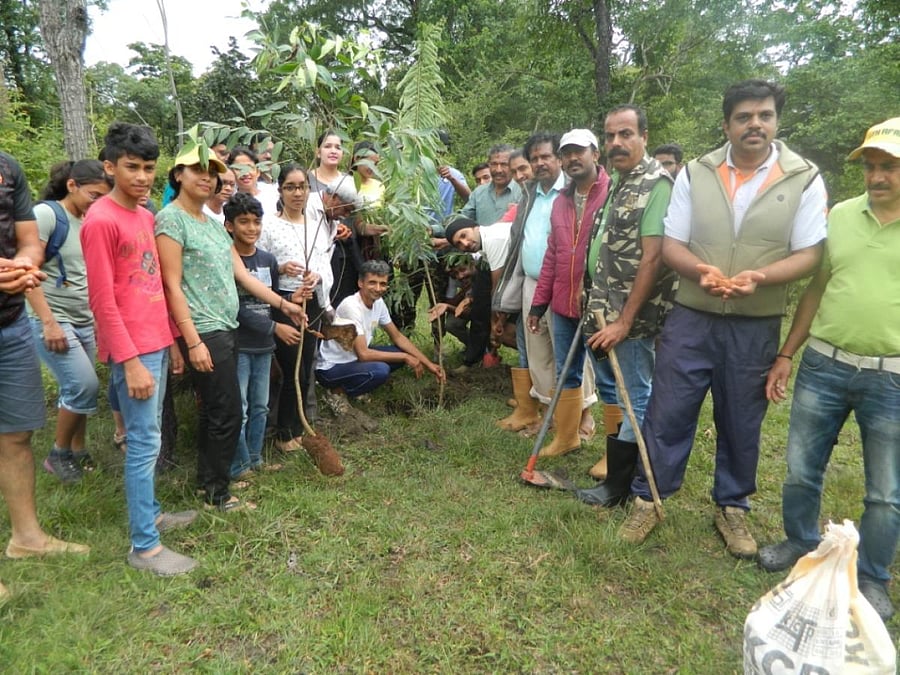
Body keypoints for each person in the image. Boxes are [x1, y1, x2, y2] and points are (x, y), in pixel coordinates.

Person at [620, 79, 828, 559]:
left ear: (776, 121)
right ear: (727, 124)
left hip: (756, 321)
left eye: (765, 115)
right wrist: (701, 271)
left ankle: (732, 506)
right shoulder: (697, 172)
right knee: (669, 409)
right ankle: (649, 498)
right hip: (692, 316)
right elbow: (672, 244)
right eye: (744, 117)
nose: (755, 124)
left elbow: (810, 253)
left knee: (741, 417)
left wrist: (760, 277)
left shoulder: (803, 177)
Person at [757, 117, 900, 621]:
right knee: (801, 468)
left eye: (889, 167)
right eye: (871, 166)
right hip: (825, 363)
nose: (877, 176)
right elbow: (816, 290)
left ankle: (873, 576)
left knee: (885, 492)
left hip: (892, 376)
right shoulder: (839, 216)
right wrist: (786, 354)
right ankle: (800, 542)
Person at [155, 143, 306, 511]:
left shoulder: (211, 224)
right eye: (197, 170)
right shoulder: (171, 220)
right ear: (179, 175)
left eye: (212, 173)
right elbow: (170, 284)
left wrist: (284, 304)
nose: (207, 178)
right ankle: (219, 492)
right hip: (203, 328)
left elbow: (243, 276)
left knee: (216, 410)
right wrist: (192, 340)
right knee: (228, 410)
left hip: (226, 325)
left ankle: (209, 482)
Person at [81, 122, 197, 575]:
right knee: (144, 442)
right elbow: (102, 300)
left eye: (149, 168)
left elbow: (154, 285)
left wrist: (171, 341)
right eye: (132, 167)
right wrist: (129, 362)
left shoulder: (147, 216)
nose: (143, 176)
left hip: (156, 341)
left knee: (151, 438)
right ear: (110, 167)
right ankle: (145, 547)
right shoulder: (101, 220)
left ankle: (152, 515)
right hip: (132, 349)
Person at [0, 150, 89, 601]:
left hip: (11, 320)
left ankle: (27, 537)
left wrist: (25, 263)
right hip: (30, 317)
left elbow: (28, 238)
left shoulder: (8, 167)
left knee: (17, 435)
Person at [576, 105, 675, 506]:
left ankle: (623, 486)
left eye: (626, 134)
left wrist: (625, 321)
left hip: (629, 316)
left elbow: (654, 257)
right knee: (620, 392)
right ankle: (620, 476)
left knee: (637, 396)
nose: (616, 143)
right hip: (604, 305)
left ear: (644, 136)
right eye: (610, 135)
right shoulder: (619, 179)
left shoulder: (656, 184)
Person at [26, 159, 112, 484]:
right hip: (52, 318)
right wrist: (49, 322)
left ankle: (78, 450)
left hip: (83, 319)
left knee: (80, 388)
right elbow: (28, 271)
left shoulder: (89, 220)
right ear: (72, 186)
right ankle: (58, 454)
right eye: (94, 195)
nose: (98, 203)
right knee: (83, 385)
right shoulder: (47, 215)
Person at [527, 129, 611, 457]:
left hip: (600, 305)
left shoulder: (612, 194)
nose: (573, 158)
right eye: (567, 153)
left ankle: (614, 453)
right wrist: (539, 305)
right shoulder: (561, 201)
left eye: (580, 151)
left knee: (607, 377)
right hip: (563, 304)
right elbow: (553, 255)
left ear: (595, 154)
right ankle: (566, 437)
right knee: (566, 371)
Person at [257, 164, 331, 459]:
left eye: (302, 186)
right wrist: (280, 269)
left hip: (310, 300)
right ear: (280, 190)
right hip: (282, 301)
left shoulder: (316, 226)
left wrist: (317, 277)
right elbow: (257, 264)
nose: (297, 193)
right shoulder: (269, 225)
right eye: (290, 187)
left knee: (305, 365)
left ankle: (296, 428)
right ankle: (283, 433)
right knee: (291, 368)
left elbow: (325, 261)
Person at [316, 260, 445, 410]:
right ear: (360, 283)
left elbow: (397, 337)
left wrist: (429, 364)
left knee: (400, 351)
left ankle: (357, 382)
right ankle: (337, 392)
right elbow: (364, 354)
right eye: (372, 283)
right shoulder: (351, 307)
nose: (378, 288)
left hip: (353, 358)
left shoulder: (378, 303)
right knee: (380, 370)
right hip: (331, 367)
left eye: (382, 284)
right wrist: (405, 357)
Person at [223, 192, 286, 478]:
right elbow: (235, 308)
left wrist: (295, 299)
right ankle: (239, 465)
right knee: (241, 407)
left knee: (260, 406)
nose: (252, 228)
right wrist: (274, 328)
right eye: (244, 222)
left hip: (264, 346)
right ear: (229, 225)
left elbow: (272, 300)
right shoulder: (228, 260)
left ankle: (255, 457)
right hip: (240, 345)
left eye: (256, 222)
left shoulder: (268, 260)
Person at [456, 144, 523, 370]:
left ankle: (528, 364)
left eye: (504, 164)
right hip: (485, 263)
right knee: (480, 312)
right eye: (494, 164)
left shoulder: (521, 190)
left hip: (515, 266)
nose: (499, 169)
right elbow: (463, 218)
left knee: (516, 316)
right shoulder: (479, 193)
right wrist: (438, 231)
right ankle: (473, 360)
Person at [228, 146, 279, 219]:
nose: (245, 173)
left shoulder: (274, 193)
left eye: (249, 167)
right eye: (239, 168)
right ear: (231, 172)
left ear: (258, 172)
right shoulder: (227, 198)